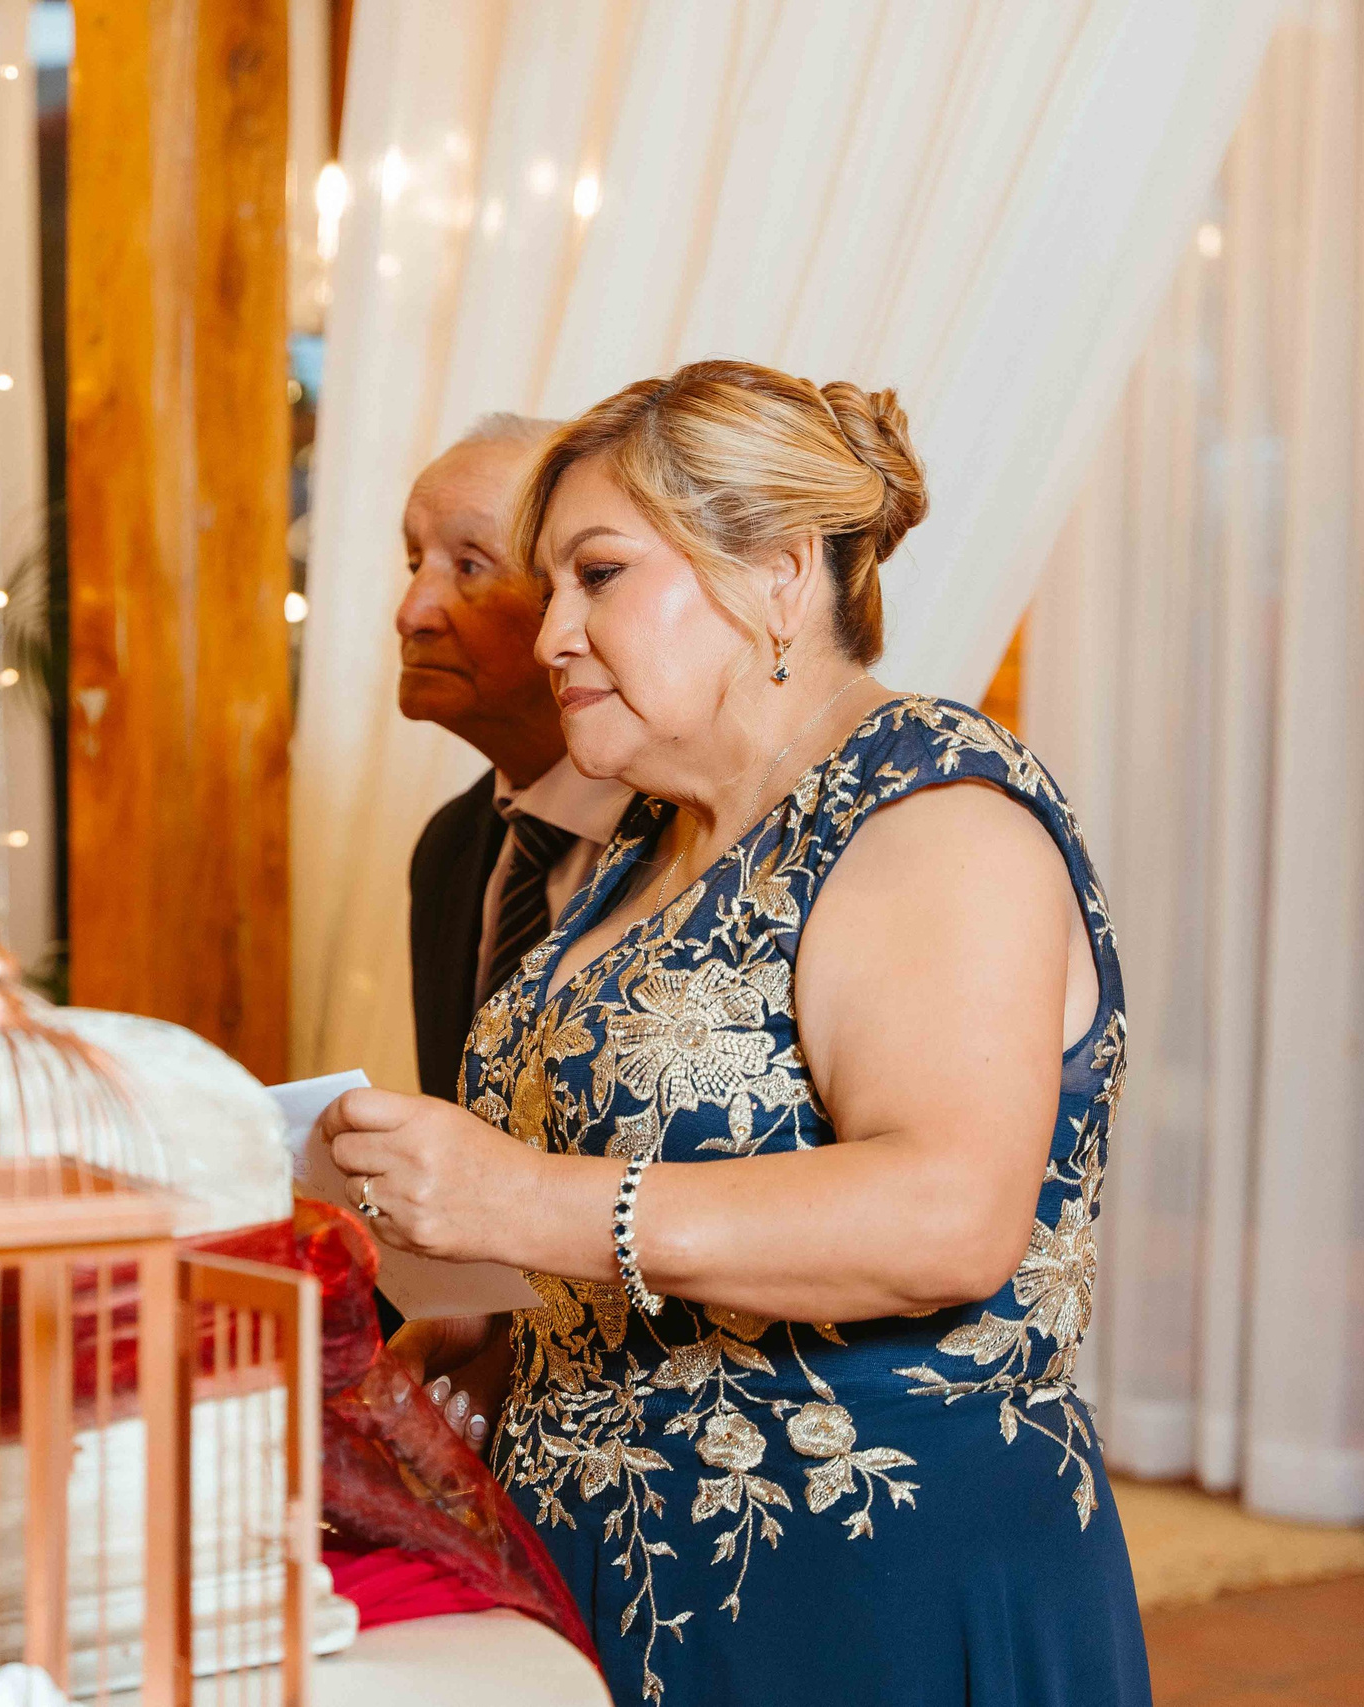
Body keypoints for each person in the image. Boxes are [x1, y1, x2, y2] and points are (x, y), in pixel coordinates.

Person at [316, 360, 1148, 1704]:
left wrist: (529, 1199)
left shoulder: (929, 809)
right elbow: (659, 1187)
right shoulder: (648, 840)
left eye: (598, 574)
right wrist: (501, 1329)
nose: (550, 635)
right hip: (606, 1569)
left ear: (776, 570)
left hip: (865, 1585)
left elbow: (947, 1213)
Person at [398, 415, 632, 1106]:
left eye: (470, 564)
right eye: (415, 564)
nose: (411, 612)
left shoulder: (706, 832)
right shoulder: (447, 849)